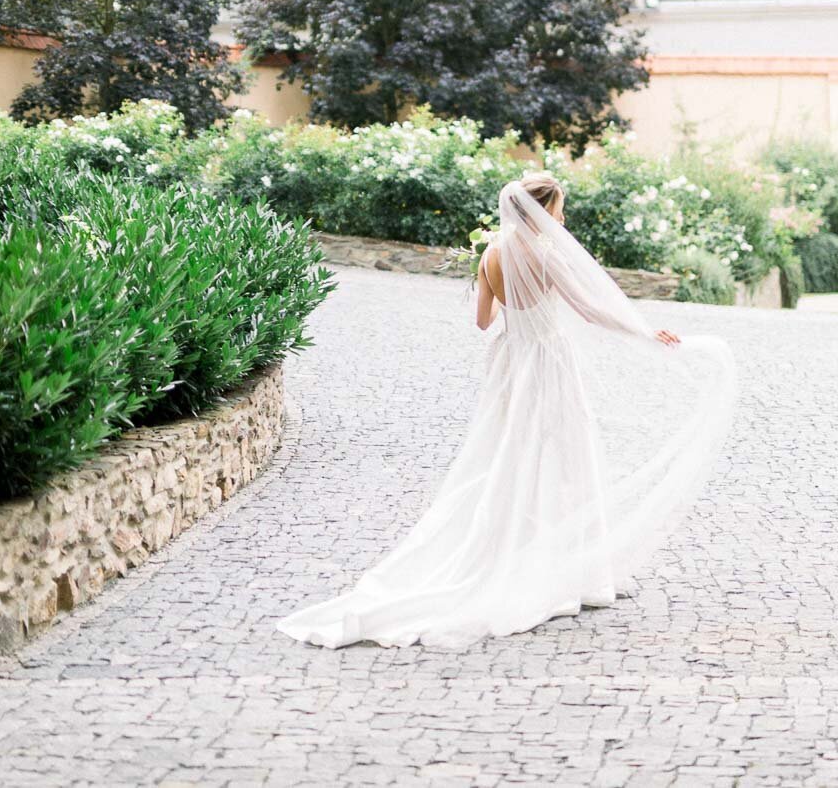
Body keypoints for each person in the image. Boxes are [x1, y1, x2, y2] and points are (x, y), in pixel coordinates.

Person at [276, 172, 737, 649]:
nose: (561, 216)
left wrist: (510, 304)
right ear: (541, 210)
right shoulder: (545, 254)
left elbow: (481, 321)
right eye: (558, 207)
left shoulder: (491, 253)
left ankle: (517, 545)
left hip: (511, 358)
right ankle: (566, 565)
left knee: (508, 451)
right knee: (562, 451)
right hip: (548, 362)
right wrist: (644, 332)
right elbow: (589, 309)